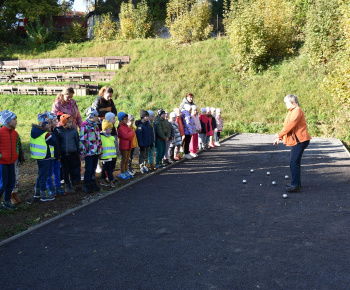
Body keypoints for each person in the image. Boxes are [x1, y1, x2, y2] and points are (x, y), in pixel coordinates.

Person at [273, 94, 311, 193]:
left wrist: (278, 135)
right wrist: (280, 137)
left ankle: (295, 185)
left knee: (293, 162)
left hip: (300, 140)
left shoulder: (297, 110)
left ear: (293, 103)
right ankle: (296, 183)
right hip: (298, 141)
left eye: (286, 102)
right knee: (295, 162)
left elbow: (291, 125)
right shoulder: (292, 111)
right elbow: (287, 127)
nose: (285, 104)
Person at [31, 113, 57, 202]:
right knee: (43, 176)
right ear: (45, 124)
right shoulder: (46, 134)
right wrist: (51, 132)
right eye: (49, 123)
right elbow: (54, 142)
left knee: (40, 175)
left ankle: (37, 194)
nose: (51, 125)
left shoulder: (35, 132)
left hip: (39, 156)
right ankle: (43, 195)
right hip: (45, 157)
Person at [80, 107, 103, 193]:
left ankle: (93, 182)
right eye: (96, 116)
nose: (97, 117)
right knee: (88, 168)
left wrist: (100, 149)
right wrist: (82, 151)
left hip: (96, 151)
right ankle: (86, 184)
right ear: (90, 116)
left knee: (93, 168)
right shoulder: (85, 125)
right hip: (88, 152)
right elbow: (82, 139)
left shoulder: (96, 125)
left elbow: (98, 138)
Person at [0, 110, 19, 210]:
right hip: (2, 163)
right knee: (2, 184)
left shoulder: (14, 133)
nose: (16, 121)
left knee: (11, 182)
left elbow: (16, 146)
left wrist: (16, 155)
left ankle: (6, 201)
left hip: (11, 162)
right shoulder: (0, 132)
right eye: (14, 119)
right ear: (7, 121)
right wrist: (1, 156)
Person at [57, 114, 80, 194]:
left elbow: (77, 141)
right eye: (68, 123)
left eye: (71, 122)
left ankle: (73, 183)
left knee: (72, 170)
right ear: (63, 123)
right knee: (65, 170)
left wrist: (78, 152)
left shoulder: (74, 131)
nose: (71, 124)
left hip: (73, 154)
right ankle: (67, 185)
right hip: (63, 155)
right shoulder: (59, 132)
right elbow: (58, 143)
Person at [46, 112, 65, 197]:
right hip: (49, 157)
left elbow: (58, 143)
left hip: (57, 156)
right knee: (49, 173)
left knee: (57, 172)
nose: (56, 122)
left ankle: (58, 187)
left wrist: (59, 154)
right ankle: (50, 188)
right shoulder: (46, 133)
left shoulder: (55, 131)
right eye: (54, 121)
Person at [100, 119, 118, 187]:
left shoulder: (111, 137)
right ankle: (111, 180)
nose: (111, 130)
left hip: (112, 156)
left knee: (106, 168)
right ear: (105, 128)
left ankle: (102, 179)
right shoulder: (101, 137)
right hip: (105, 157)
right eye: (110, 129)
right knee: (108, 169)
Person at [117, 112, 135, 180]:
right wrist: (130, 134)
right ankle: (122, 172)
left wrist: (130, 134)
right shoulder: (120, 127)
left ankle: (126, 170)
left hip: (129, 145)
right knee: (124, 160)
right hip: (124, 146)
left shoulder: (126, 126)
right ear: (121, 120)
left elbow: (132, 133)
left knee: (127, 159)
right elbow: (126, 135)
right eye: (125, 119)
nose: (127, 120)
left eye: (127, 119)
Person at [135, 110, 152, 174]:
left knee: (146, 155)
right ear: (142, 117)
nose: (148, 117)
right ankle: (141, 166)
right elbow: (139, 137)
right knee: (142, 155)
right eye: (146, 116)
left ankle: (145, 165)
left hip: (148, 143)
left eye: (148, 116)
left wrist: (151, 142)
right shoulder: (140, 126)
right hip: (143, 144)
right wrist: (141, 145)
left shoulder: (148, 125)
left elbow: (151, 134)